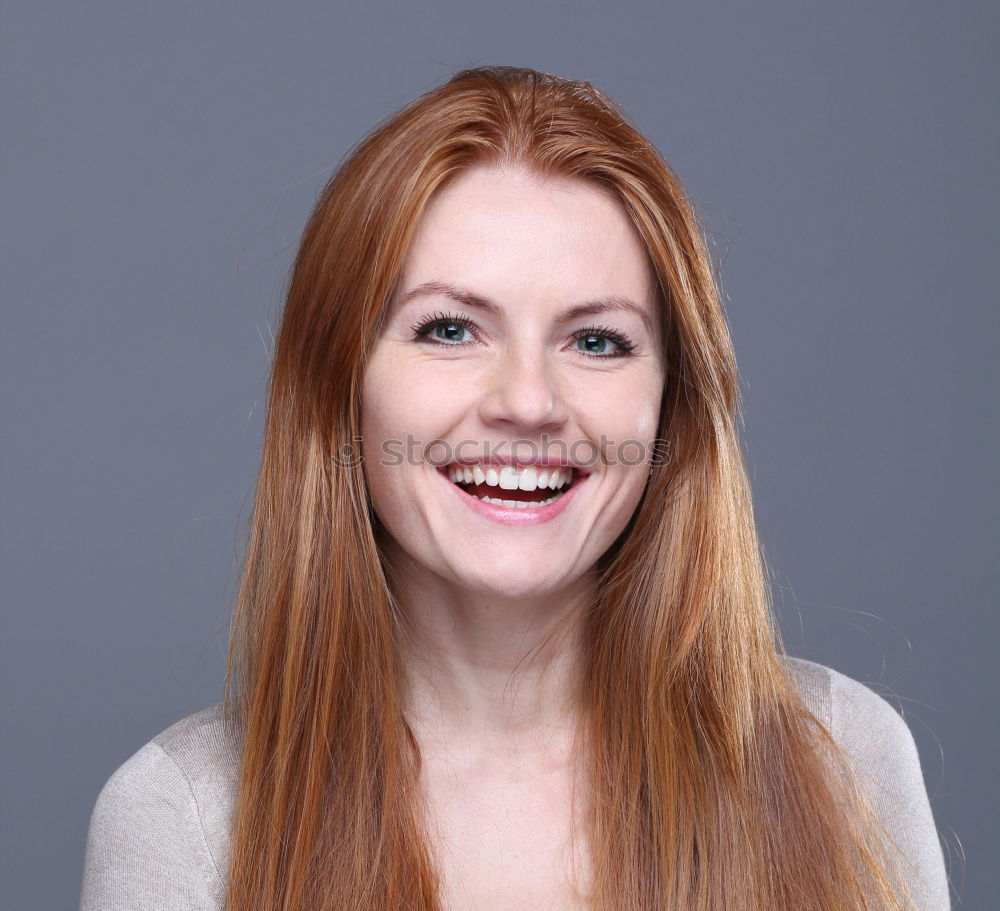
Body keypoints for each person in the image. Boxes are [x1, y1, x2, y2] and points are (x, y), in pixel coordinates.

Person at [79, 65, 950, 910]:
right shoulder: (186, 819)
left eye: (597, 341)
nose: (528, 403)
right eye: (451, 328)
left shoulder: (842, 756)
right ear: (337, 391)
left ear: (671, 407)